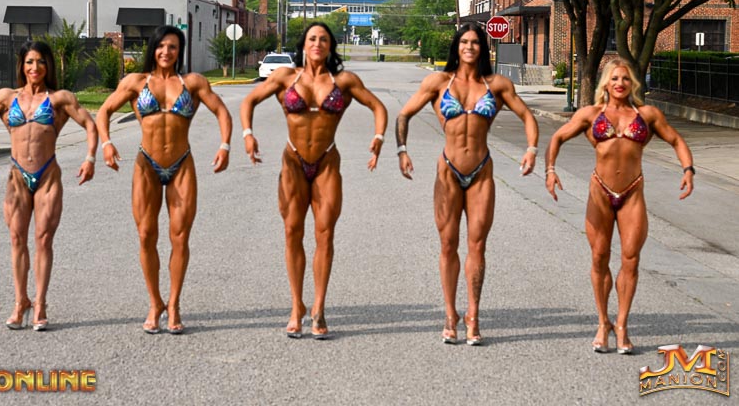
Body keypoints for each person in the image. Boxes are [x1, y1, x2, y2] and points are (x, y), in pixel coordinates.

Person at [240, 22, 388, 339]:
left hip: (327, 162)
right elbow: (248, 101)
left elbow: (377, 106)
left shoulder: (343, 81)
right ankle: (297, 306)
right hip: (293, 162)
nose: (317, 43)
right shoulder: (285, 77)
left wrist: (378, 137)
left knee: (325, 234)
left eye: (323, 39)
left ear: (330, 45)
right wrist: (247, 134)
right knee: (292, 231)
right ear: (304, 45)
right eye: (312, 38)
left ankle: (319, 308)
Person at [395, 23, 539, 345]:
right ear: (457, 47)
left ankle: (473, 314)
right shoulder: (438, 82)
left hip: (481, 172)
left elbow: (528, 117)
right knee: (448, 244)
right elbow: (403, 115)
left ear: (482, 48)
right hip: (447, 172)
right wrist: (402, 150)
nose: (469, 47)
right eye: (464, 42)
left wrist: (531, 149)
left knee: (477, 245)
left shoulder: (497, 85)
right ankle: (451, 314)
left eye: (475, 42)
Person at [544, 57, 694, 354]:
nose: (620, 83)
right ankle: (603, 323)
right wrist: (550, 170)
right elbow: (558, 137)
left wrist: (688, 170)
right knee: (599, 257)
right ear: (606, 83)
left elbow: (676, 140)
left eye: (625, 78)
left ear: (632, 83)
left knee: (631, 259)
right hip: (600, 192)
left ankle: (622, 324)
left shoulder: (647, 114)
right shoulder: (591, 114)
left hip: (632, 192)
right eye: (614, 78)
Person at [96, 25, 232, 335]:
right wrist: (106, 143)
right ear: (153, 49)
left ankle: (175, 304)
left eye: (172, 47)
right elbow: (104, 111)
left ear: (179, 50)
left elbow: (222, 112)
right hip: (147, 164)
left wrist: (225, 145)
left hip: (182, 164)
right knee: (146, 235)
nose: (166, 52)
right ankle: (155, 303)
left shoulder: (193, 83)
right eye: (161, 46)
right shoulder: (136, 82)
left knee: (179, 237)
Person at [0, 40, 98, 331]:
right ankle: (20, 302)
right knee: (16, 239)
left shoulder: (60, 98)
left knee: (43, 240)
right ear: (22, 66)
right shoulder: (6, 97)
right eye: (30, 62)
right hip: (17, 176)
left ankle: (41, 305)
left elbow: (89, 124)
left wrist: (90, 158)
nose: (35, 67)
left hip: (48, 175)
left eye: (41, 62)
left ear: (48, 66)